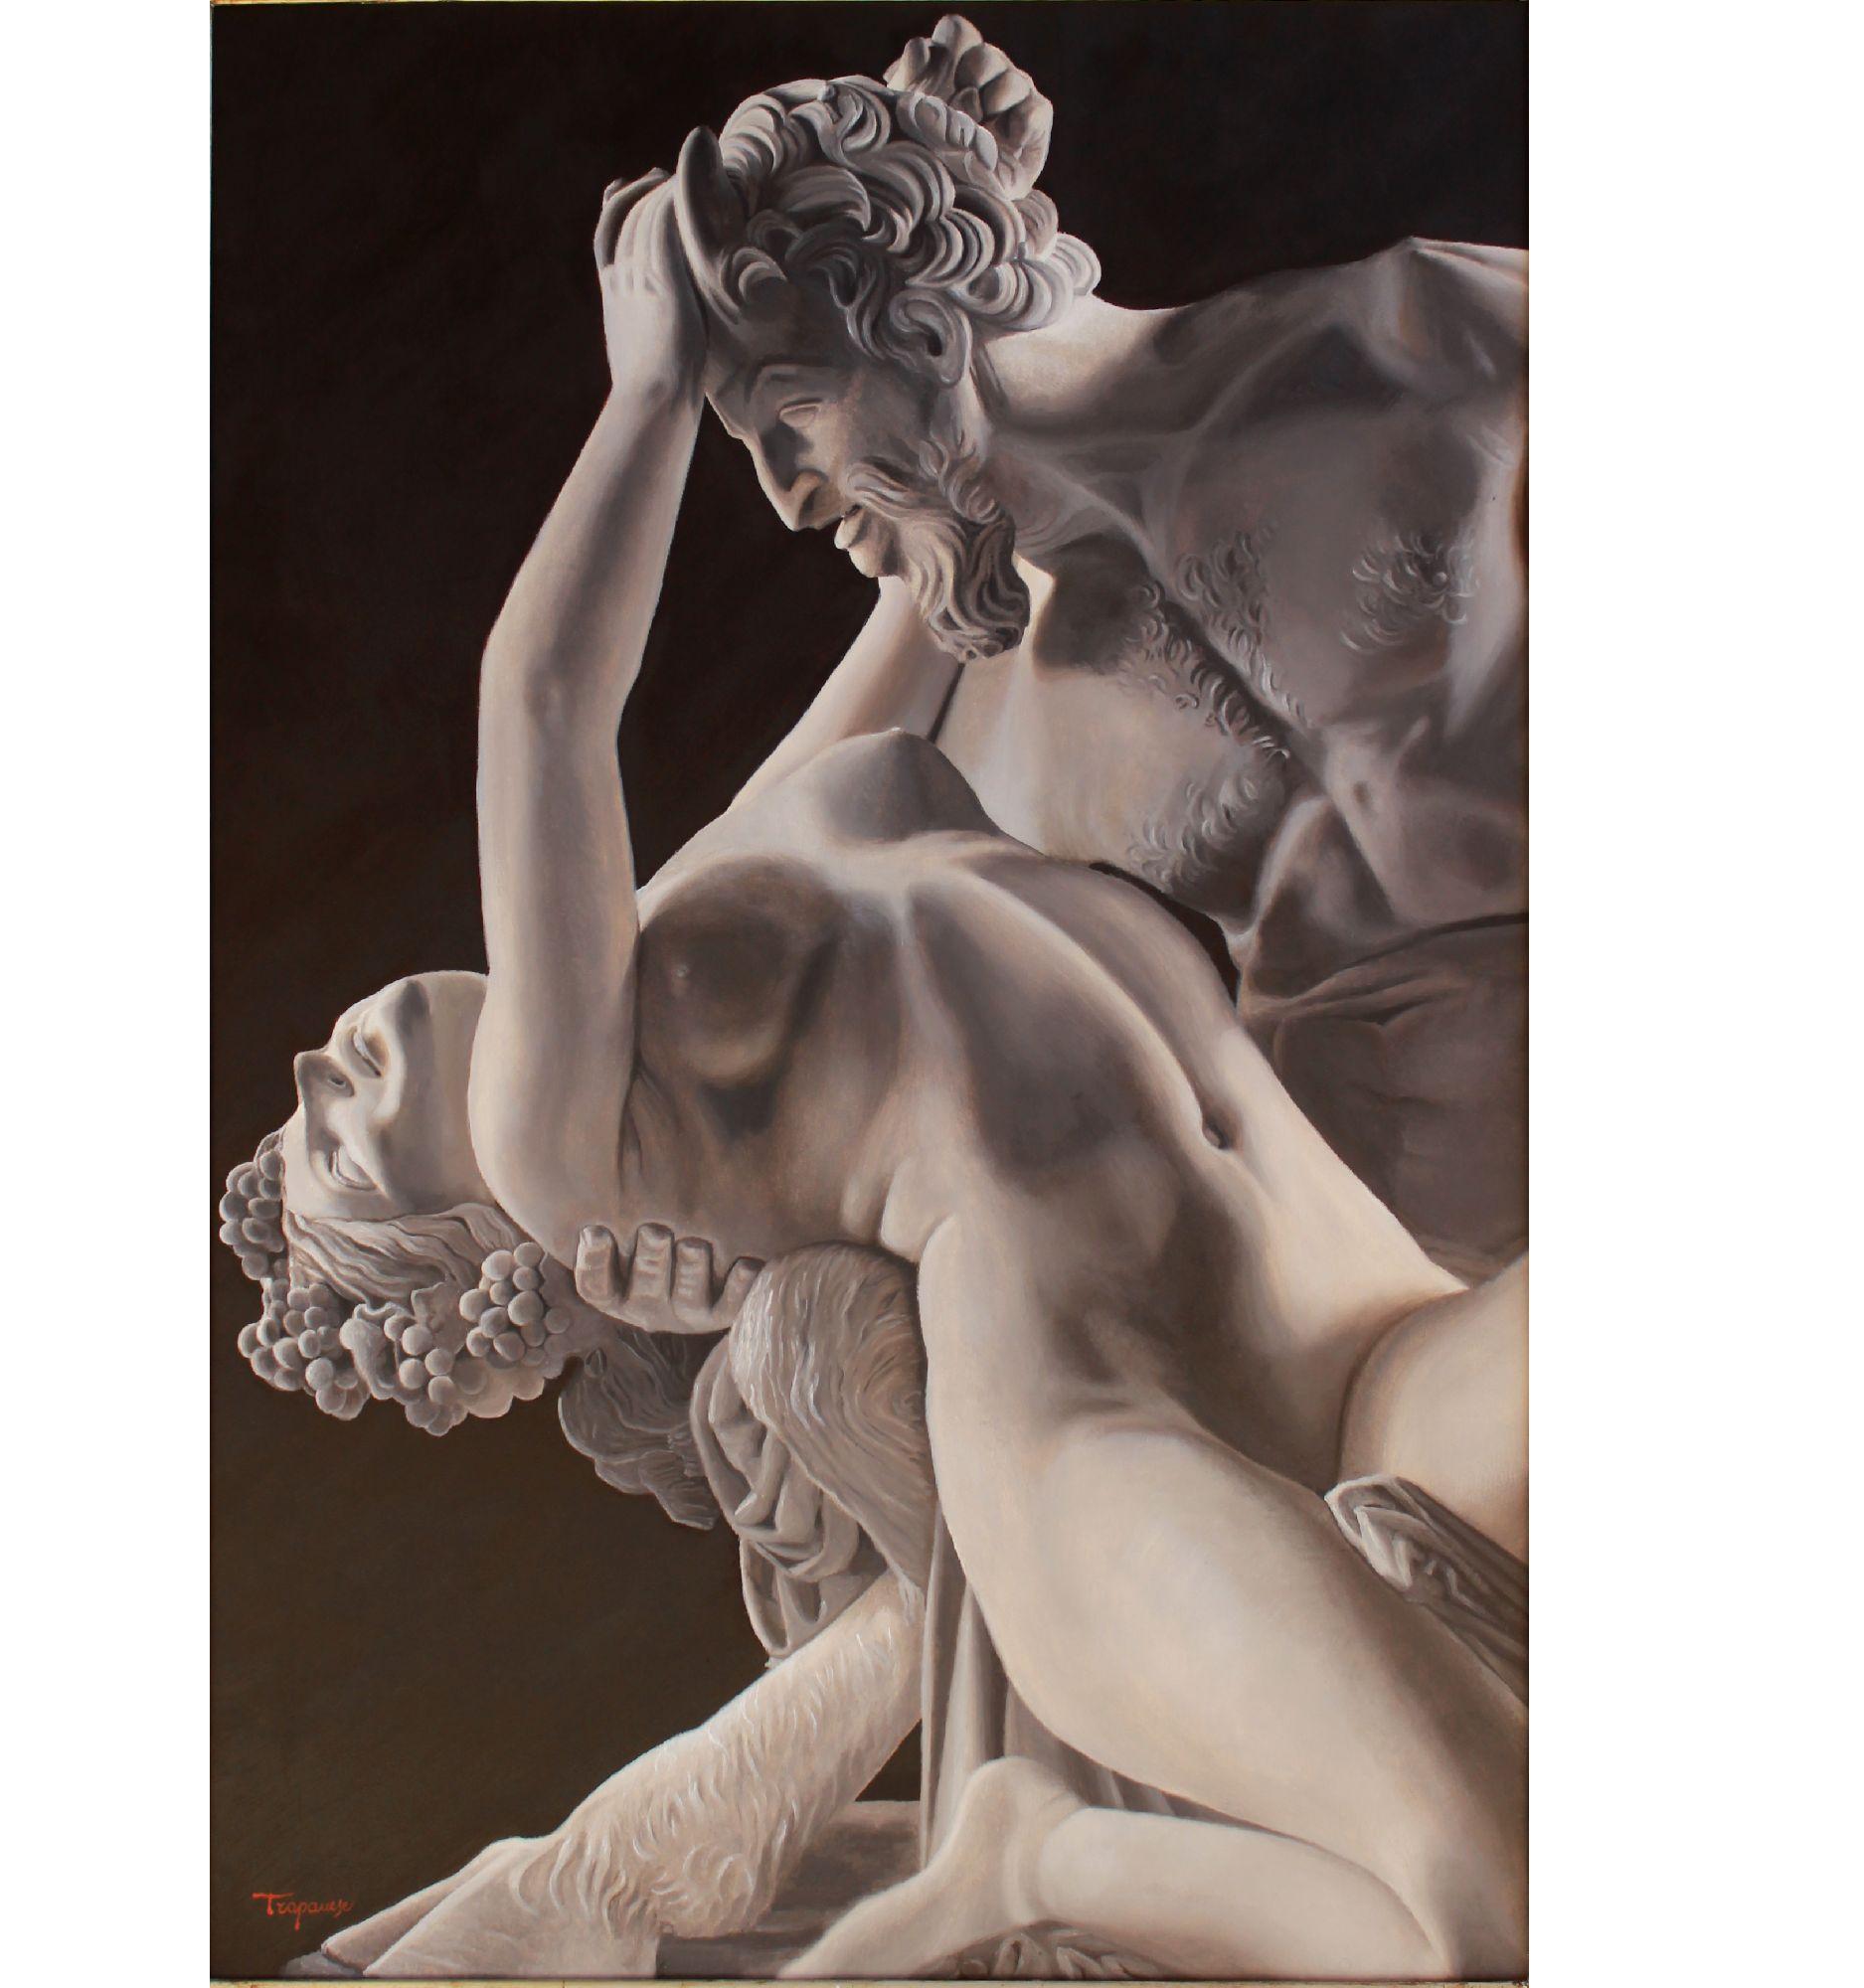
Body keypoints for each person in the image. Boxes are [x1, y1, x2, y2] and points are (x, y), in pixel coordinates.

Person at [230, 162, 1526, 1980]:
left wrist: (952, 246)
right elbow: (545, 701)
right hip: (1115, 1450)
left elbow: (940, 575)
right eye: (337, 1146)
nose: (318, 1062)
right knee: (1505, 1919)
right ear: (472, 1231)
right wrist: (649, 387)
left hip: (1365, 1323)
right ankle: (1033, 1850)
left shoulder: (704, 896)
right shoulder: (557, 1136)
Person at [668, 14, 1529, 1281]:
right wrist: (922, 545)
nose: (788, 498)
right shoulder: (994, 703)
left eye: (790, 414)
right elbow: (682, 929)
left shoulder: (1415, 348)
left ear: (924, 332)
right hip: (1415, 1308)